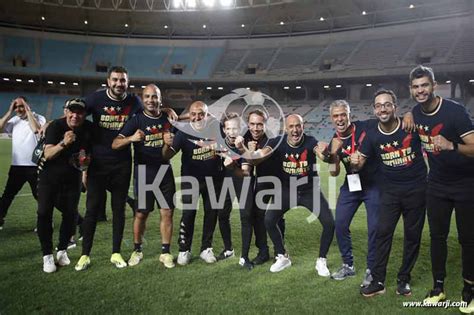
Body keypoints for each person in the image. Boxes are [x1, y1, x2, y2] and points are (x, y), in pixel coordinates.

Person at [408, 65, 474, 313]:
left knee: (468, 240)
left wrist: (451, 146)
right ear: (411, 90)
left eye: (425, 85)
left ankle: (469, 290)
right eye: (416, 87)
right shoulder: (415, 112)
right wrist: (407, 114)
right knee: (437, 237)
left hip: (466, 184)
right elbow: (411, 117)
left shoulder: (454, 111)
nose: (420, 90)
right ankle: (438, 288)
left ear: (434, 86)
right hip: (436, 184)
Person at [352, 89, 427, 297]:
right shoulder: (372, 135)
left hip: (416, 191)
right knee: (382, 234)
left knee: (412, 236)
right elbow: (360, 164)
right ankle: (378, 281)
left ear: (395, 107)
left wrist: (412, 113)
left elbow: (426, 113)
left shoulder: (410, 125)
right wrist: (355, 163)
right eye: (378, 105)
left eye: (387, 104)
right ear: (374, 110)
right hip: (390, 193)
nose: (382, 108)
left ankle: (404, 279)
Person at [75, 66, 143, 271]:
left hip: (122, 163)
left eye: (122, 80)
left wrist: (168, 114)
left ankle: (116, 252)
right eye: (115, 80)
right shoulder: (95, 99)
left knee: (118, 210)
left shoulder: (133, 101)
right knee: (92, 209)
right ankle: (85, 254)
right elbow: (76, 113)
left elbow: (148, 116)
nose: (118, 84)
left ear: (127, 82)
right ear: (108, 80)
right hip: (97, 164)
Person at [251, 114, 335, 273]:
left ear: (303, 126)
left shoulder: (310, 141)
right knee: (269, 220)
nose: (295, 130)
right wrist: (249, 152)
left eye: (298, 126)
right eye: (291, 126)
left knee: (330, 223)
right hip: (287, 190)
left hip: (310, 191)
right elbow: (259, 157)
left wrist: (326, 153)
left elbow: (322, 156)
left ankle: (321, 260)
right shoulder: (278, 142)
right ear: (285, 128)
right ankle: (282, 256)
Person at [112, 84, 176, 269]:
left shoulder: (168, 119)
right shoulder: (136, 120)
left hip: (164, 171)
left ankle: (165, 252)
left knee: (168, 212)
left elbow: (169, 151)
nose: (150, 100)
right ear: (143, 99)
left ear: (160, 99)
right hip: (143, 172)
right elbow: (115, 143)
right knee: (141, 213)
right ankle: (137, 250)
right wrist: (131, 139)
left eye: (154, 96)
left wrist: (167, 144)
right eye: (147, 97)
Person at [315, 100, 379, 282]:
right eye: (336, 116)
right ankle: (348, 265)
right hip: (352, 185)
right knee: (341, 224)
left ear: (349, 115)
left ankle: (372, 270)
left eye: (343, 114)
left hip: (374, 184)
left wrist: (407, 115)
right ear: (331, 118)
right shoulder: (335, 139)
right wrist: (333, 154)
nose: (340, 119)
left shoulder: (366, 126)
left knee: (374, 228)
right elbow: (334, 172)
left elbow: (387, 122)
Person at [162, 101, 224, 265]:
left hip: (214, 179)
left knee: (211, 214)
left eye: (201, 114)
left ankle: (206, 248)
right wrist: (166, 145)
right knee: (188, 214)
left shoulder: (215, 128)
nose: (197, 117)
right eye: (193, 114)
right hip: (190, 180)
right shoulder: (183, 132)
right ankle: (184, 249)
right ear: (189, 114)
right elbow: (167, 156)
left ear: (206, 115)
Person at [37, 98, 92, 273]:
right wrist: (63, 143)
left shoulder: (86, 130)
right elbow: (48, 154)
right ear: (66, 111)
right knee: (44, 213)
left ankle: (62, 250)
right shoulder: (55, 127)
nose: (75, 115)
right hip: (49, 179)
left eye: (79, 112)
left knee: (70, 215)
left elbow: (84, 155)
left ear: (84, 114)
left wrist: (85, 168)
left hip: (72, 179)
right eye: (72, 111)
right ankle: (47, 255)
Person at [235, 109, 284, 266]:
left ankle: (280, 252)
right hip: (263, 179)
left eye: (260, 124)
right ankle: (263, 251)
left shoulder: (273, 137)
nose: (256, 128)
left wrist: (246, 149)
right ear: (248, 124)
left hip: (280, 180)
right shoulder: (246, 136)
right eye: (252, 124)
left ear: (266, 124)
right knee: (257, 214)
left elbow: (256, 160)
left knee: (277, 216)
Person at [0, 96, 45, 230]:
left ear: (27, 105)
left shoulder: (39, 117)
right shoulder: (14, 120)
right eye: (16, 107)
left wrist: (28, 110)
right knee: (7, 195)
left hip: (34, 165)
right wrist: (9, 112)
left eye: (21, 106)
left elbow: (36, 129)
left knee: (40, 197)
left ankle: (44, 222)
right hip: (17, 166)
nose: (19, 109)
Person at [219, 112, 253, 268]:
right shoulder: (220, 141)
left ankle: (244, 257)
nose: (232, 132)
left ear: (240, 129)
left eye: (235, 128)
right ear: (224, 130)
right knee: (222, 214)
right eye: (229, 128)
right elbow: (206, 117)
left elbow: (246, 173)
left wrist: (234, 163)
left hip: (243, 183)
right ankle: (228, 249)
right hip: (226, 182)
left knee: (245, 217)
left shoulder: (245, 145)